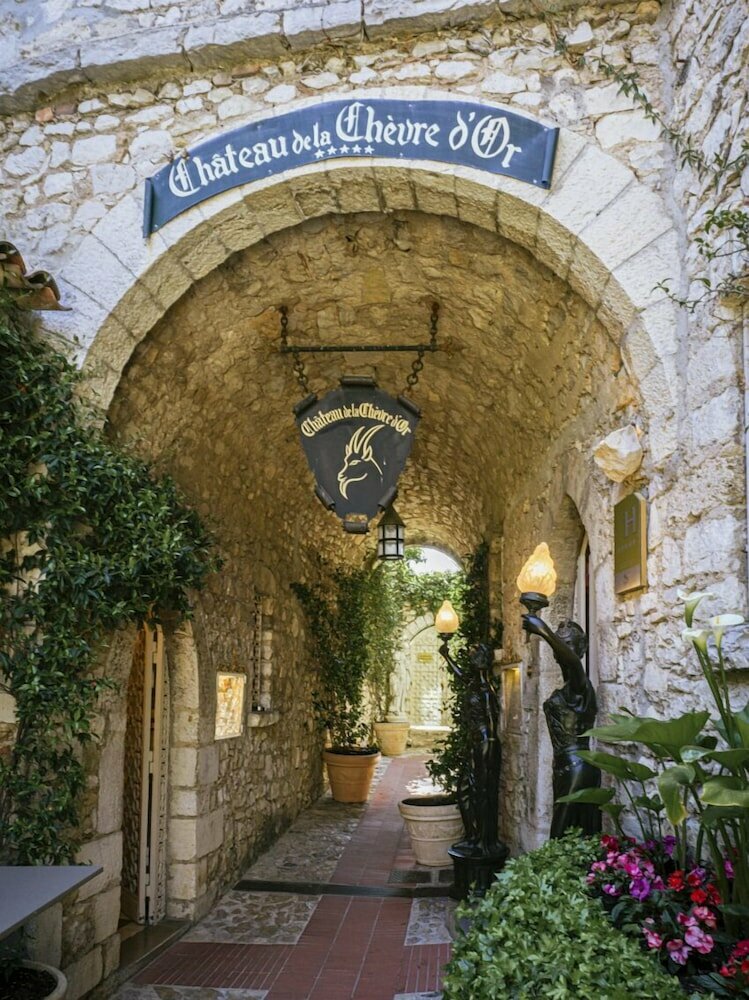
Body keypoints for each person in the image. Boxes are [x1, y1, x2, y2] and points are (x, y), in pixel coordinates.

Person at [521, 615, 601, 838]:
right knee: (570, 832)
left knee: (560, 831)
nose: (562, 649)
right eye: (560, 643)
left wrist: (543, 631)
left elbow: (575, 663)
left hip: (579, 765)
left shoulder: (581, 688)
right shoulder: (568, 688)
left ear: (581, 648)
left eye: (568, 644)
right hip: (564, 766)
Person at [438, 641, 503, 856]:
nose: (472, 660)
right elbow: (461, 676)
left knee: (480, 792)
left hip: (484, 745)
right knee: (465, 790)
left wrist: (487, 751)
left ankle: (481, 840)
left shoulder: (485, 690)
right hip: (476, 743)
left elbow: (493, 722)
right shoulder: (474, 683)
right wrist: (447, 657)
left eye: (475, 656)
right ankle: (472, 835)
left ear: (482, 661)